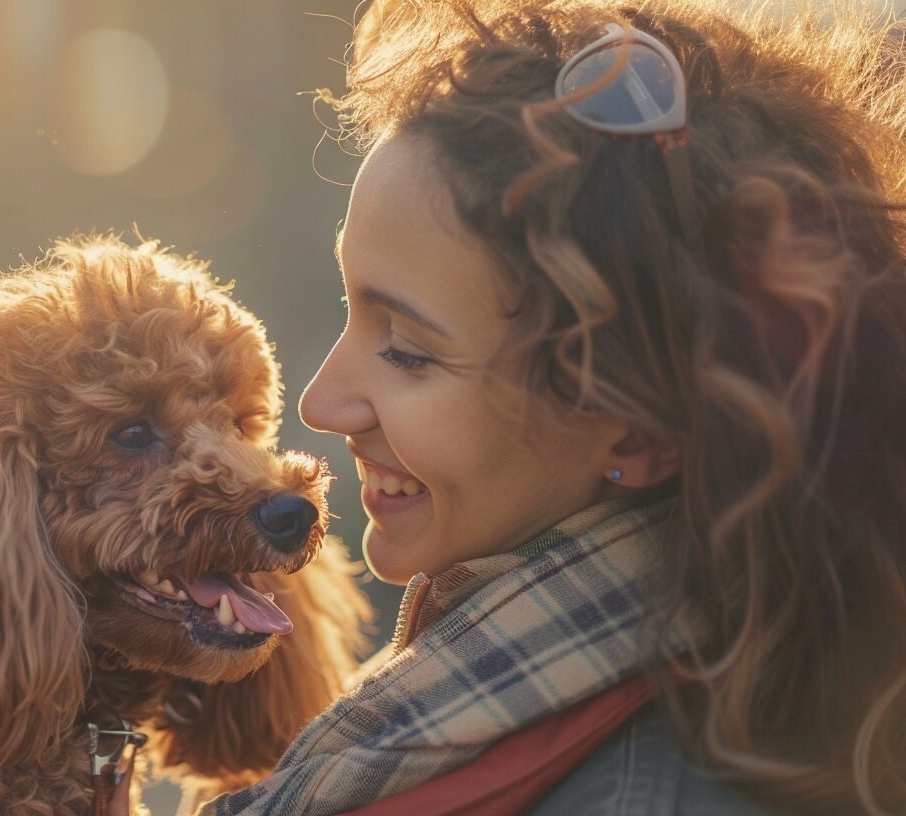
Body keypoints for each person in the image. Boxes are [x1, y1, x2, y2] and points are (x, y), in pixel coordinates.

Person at [109, 0, 906, 813]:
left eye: (409, 351)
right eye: (346, 303)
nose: (318, 403)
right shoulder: (460, 711)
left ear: (638, 428)